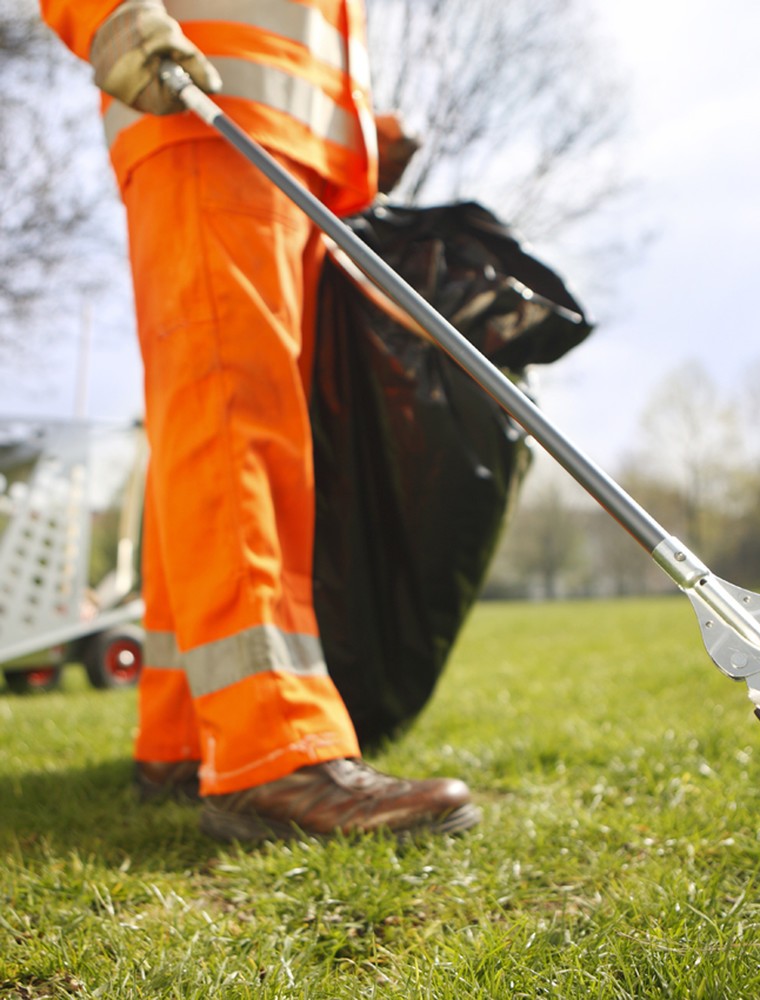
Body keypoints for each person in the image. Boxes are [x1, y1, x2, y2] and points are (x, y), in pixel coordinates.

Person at [38, 0, 480, 842]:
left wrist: (350, 120)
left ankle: (185, 735)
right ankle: (274, 750)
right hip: (204, 109)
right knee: (238, 427)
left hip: (282, 140)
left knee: (215, 429)